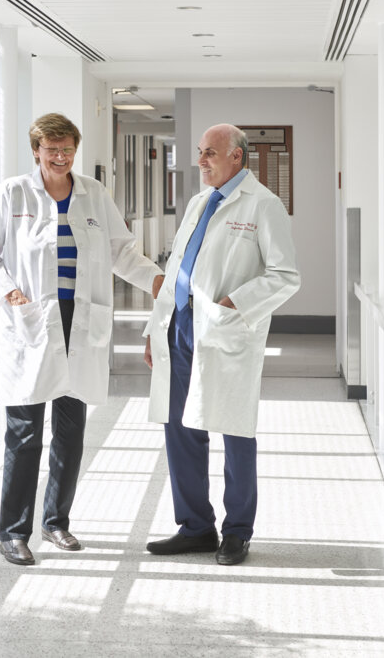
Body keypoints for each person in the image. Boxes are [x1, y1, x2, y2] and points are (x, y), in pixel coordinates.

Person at [0, 113, 164, 565]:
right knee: (24, 435)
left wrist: (156, 281)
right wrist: (6, 290)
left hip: (80, 323)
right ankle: (13, 532)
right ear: (36, 150)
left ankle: (56, 523)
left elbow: (121, 251)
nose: (60, 158)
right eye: (52, 150)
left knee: (71, 433)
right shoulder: (14, 193)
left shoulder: (94, 194)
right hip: (32, 323)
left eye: (67, 150)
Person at [143, 123, 299, 565]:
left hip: (224, 328)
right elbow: (176, 268)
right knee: (180, 428)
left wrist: (235, 303)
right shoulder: (197, 202)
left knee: (234, 429)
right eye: (200, 152)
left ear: (237, 156)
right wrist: (155, 327)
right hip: (180, 325)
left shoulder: (264, 205)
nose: (201, 160)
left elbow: (286, 275)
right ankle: (195, 527)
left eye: (211, 152)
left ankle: (237, 531)